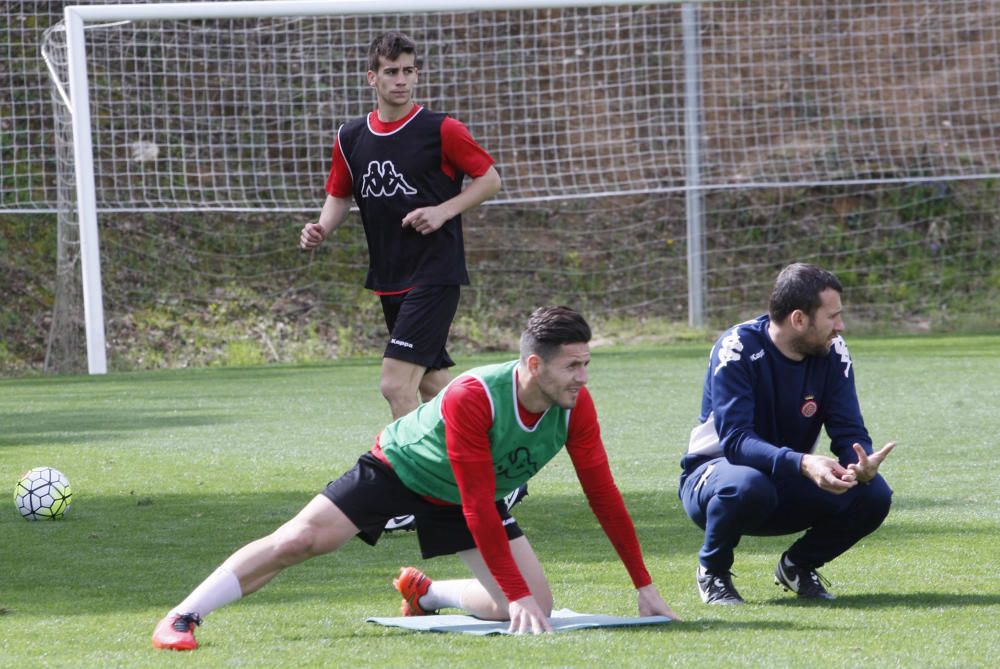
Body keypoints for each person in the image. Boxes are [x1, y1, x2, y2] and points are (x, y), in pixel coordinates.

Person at [152, 306, 679, 650]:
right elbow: (476, 504)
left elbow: (603, 496)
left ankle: (426, 593)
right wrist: (515, 594)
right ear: (534, 366)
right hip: (401, 469)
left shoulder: (574, 406)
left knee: (533, 607)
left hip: (466, 492)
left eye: (587, 365)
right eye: (573, 367)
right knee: (300, 541)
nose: (583, 379)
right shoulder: (476, 395)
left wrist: (644, 586)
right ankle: (183, 616)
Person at [299, 31, 501, 422]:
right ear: (371, 77)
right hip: (390, 277)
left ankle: (415, 481)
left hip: (434, 272)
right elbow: (340, 195)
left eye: (409, 71)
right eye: (391, 72)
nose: (401, 80)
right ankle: (497, 461)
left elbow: (489, 179)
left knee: (395, 384)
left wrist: (443, 210)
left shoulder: (441, 129)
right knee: (430, 382)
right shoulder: (350, 137)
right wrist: (321, 227)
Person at [678, 263, 895, 605]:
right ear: (798, 319)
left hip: (784, 478)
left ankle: (798, 566)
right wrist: (804, 463)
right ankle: (713, 572)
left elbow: (847, 428)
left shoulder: (833, 351)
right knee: (748, 484)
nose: (840, 326)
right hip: (715, 478)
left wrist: (860, 462)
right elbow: (735, 441)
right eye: (832, 316)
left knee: (874, 495)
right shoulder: (737, 347)